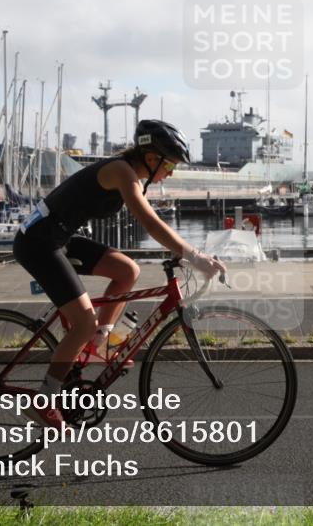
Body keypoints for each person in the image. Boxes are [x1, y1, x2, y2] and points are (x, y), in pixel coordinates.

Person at [12, 119, 225, 429]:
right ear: (151, 158)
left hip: (58, 237)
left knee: (127, 271)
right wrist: (194, 256)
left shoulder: (130, 174)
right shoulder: (121, 172)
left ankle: (99, 339)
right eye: (170, 165)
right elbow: (150, 223)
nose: (171, 173)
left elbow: (153, 224)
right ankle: (45, 398)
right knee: (83, 321)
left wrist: (187, 253)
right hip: (38, 243)